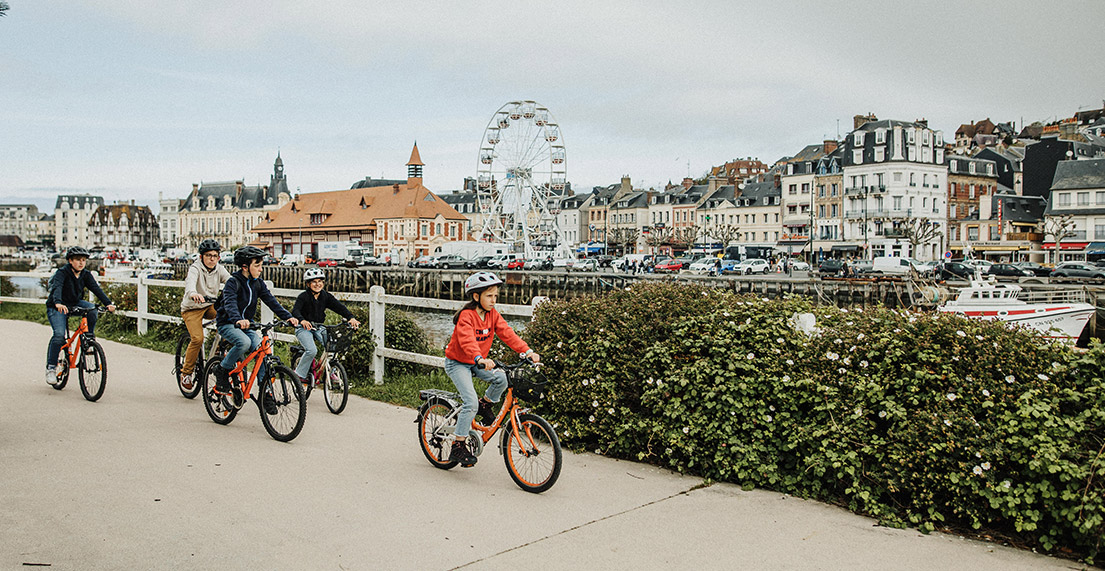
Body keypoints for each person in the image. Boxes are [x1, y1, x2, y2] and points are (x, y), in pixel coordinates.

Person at [443, 271, 540, 467]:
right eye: (489, 296)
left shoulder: (493, 315)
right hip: (458, 363)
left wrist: (528, 351)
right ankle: (458, 445)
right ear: (476, 296)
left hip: (477, 362)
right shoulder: (466, 316)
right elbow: (467, 340)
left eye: (495, 296)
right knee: (469, 402)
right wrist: (479, 357)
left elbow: (508, 334)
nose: (493, 300)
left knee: (502, 378)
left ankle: (485, 404)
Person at [214, 246, 298, 397]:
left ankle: (265, 391)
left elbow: (271, 301)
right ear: (245, 267)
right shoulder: (233, 283)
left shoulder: (257, 283)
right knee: (244, 343)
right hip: (228, 323)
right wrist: (238, 319)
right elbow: (230, 303)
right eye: (257, 266)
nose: (261, 269)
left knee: (262, 351)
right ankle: (222, 369)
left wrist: (288, 317)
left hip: (247, 325)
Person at [45, 247, 116, 384]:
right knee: (59, 335)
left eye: (83, 260)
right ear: (70, 261)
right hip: (57, 306)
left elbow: (96, 289)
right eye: (78, 260)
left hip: (75, 303)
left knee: (92, 309)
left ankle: (89, 338)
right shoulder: (62, 273)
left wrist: (108, 303)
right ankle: (51, 368)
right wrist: (58, 303)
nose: (81, 263)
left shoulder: (86, 274)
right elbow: (57, 288)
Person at [178, 239, 231, 391]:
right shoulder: (195, 268)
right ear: (201, 257)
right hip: (192, 308)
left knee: (229, 319)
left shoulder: (219, 269)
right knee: (197, 338)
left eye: (215, 255)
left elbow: (231, 281)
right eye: (208, 255)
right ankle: (186, 373)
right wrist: (193, 293)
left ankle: (219, 352)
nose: (212, 258)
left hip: (210, 306)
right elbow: (190, 284)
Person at [291, 268, 360, 382]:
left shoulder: (325, 296)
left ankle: (332, 371)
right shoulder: (303, 296)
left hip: (318, 327)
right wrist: (302, 320)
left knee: (333, 346)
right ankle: (299, 374)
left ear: (323, 283)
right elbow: (296, 311)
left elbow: (339, 307)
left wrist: (351, 317)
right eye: (314, 282)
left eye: (320, 281)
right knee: (312, 350)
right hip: (303, 328)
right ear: (308, 284)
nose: (317, 284)